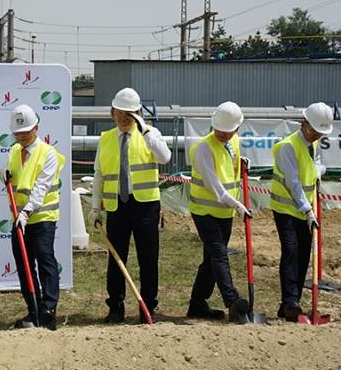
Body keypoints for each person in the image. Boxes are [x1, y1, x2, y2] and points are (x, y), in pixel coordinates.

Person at [87, 87, 171, 323]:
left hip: (145, 207)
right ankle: (115, 307)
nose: (123, 118)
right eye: (119, 113)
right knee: (116, 259)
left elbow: (165, 158)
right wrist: (95, 207)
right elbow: (99, 174)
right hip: (116, 207)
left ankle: (148, 307)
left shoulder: (151, 134)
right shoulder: (106, 139)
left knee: (148, 258)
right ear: (112, 112)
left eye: (129, 114)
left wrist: (145, 130)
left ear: (137, 114)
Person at [0, 104, 66, 330]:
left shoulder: (48, 153)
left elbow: (41, 187)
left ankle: (48, 310)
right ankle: (33, 310)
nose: (21, 137)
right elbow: (17, 183)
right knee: (24, 264)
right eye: (17, 133)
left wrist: (27, 212)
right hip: (19, 220)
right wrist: (4, 175)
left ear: (36, 129)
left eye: (25, 132)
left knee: (45, 259)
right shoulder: (13, 152)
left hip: (42, 217)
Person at [186, 101, 252, 323]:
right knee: (219, 254)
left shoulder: (234, 141)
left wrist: (240, 162)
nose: (223, 135)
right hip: (204, 210)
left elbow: (229, 167)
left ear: (237, 129)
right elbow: (216, 188)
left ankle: (197, 304)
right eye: (220, 130)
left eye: (228, 131)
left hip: (225, 212)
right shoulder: (203, 149)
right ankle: (232, 301)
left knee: (211, 261)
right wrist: (239, 206)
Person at [270, 102, 333, 321]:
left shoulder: (312, 144)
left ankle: (290, 303)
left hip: (306, 209)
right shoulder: (288, 147)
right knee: (291, 252)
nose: (317, 136)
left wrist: (318, 171)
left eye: (321, 133)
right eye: (315, 131)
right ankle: (290, 302)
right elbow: (293, 182)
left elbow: (316, 163)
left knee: (304, 255)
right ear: (304, 124)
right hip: (286, 208)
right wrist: (308, 211)